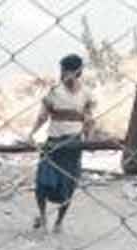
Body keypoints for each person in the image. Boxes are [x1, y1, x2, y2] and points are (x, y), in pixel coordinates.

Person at [32, 54, 95, 232]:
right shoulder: (54, 92)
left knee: (68, 185)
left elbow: (90, 120)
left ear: (77, 72)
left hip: (73, 145)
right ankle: (43, 216)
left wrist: (89, 139)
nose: (63, 74)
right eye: (62, 70)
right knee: (42, 183)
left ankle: (59, 222)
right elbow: (43, 116)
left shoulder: (86, 94)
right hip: (53, 143)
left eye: (67, 71)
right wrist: (32, 133)